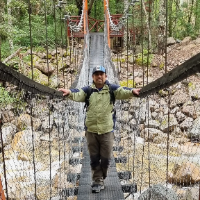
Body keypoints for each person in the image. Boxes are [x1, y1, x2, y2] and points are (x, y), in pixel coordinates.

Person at [58, 65, 140, 193]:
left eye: (101, 74)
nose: (99, 76)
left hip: (107, 131)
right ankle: (97, 181)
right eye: (96, 74)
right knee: (94, 158)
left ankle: (102, 176)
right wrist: (69, 93)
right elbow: (78, 94)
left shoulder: (111, 89)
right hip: (91, 131)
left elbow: (122, 91)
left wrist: (132, 92)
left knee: (106, 159)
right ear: (93, 77)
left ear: (105, 76)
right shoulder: (88, 90)